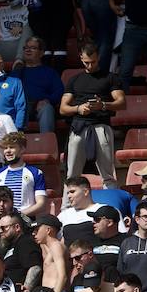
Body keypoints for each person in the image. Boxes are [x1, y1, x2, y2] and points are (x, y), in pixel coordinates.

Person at [60, 41, 124, 185]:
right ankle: (68, 200)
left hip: (101, 125)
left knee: (108, 174)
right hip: (79, 126)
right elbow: (63, 108)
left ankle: (111, 198)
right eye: (86, 62)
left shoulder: (110, 77)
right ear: (81, 58)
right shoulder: (74, 80)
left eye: (93, 62)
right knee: (72, 174)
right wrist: (78, 108)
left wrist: (103, 105)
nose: (90, 66)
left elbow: (121, 103)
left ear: (98, 57)